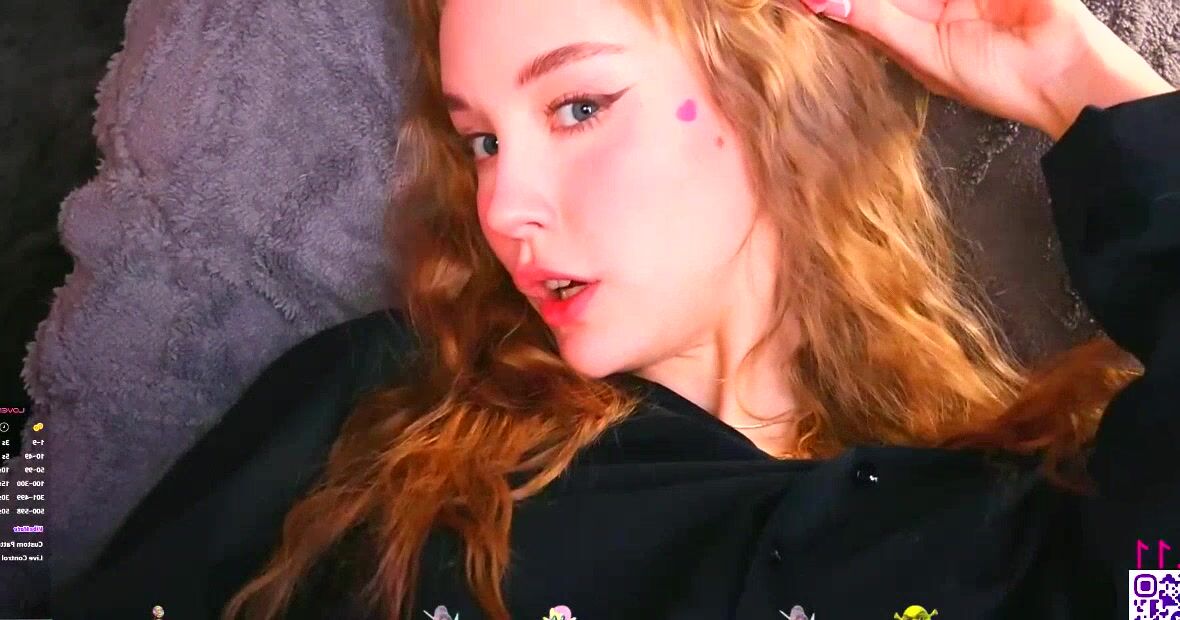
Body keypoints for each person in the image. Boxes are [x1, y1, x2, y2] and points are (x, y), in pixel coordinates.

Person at [50, 0, 1178, 618]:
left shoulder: (1014, 519)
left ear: (778, 98)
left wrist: (1076, 81)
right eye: (480, 140)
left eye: (579, 106)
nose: (505, 204)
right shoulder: (377, 410)